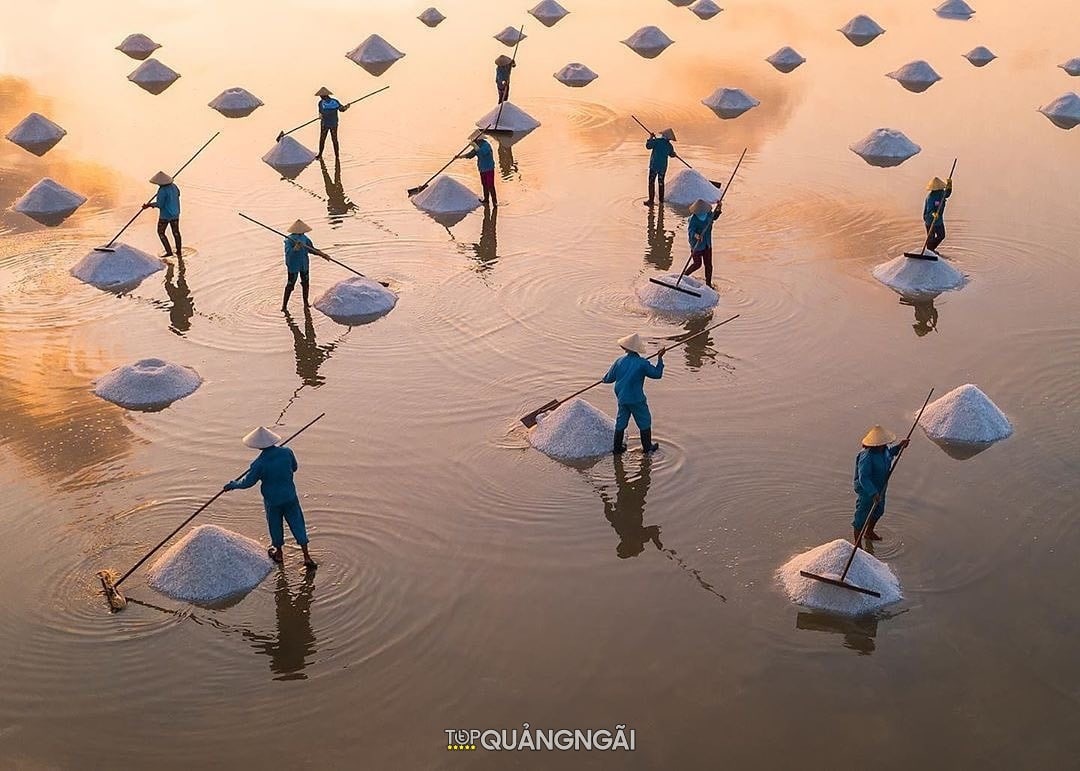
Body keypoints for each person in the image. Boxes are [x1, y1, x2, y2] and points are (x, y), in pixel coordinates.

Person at [223, 425, 317, 568]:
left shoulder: (258, 464)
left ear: (258, 446)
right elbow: (295, 468)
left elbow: (247, 483)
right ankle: (307, 557)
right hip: (290, 496)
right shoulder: (287, 452)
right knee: (298, 523)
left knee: (275, 525)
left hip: (273, 500)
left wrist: (233, 485)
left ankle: (279, 554)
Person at [602, 333, 666, 454]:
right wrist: (660, 358)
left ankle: (617, 449)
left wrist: (603, 379)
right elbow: (657, 374)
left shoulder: (619, 361)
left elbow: (608, 378)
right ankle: (647, 447)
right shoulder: (642, 363)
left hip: (622, 398)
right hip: (636, 399)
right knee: (644, 421)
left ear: (625, 348)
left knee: (621, 422)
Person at [852, 425, 910, 543]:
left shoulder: (884, 451)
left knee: (879, 510)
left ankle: (869, 532)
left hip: (881, 487)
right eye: (882, 444)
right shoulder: (867, 456)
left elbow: (890, 454)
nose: (884, 446)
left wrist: (899, 447)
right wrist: (873, 493)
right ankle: (857, 545)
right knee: (862, 516)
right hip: (867, 490)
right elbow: (864, 477)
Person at [281, 219, 319, 312]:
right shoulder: (289, 240)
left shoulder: (305, 238)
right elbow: (288, 253)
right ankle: (284, 306)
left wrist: (321, 254)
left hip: (304, 264)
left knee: (305, 283)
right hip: (293, 265)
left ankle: (305, 303)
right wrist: (296, 248)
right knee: (290, 285)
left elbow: (311, 249)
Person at [685, 198, 722, 288]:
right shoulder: (693, 219)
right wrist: (697, 235)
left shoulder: (708, 214)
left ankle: (708, 284)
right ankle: (684, 277)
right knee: (697, 264)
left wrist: (719, 207)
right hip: (697, 245)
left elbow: (714, 217)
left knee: (708, 265)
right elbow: (691, 231)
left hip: (707, 243)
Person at [143, 171, 181, 257]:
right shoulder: (174, 186)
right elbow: (178, 194)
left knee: (161, 232)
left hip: (165, 215)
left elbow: (160, 204)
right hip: (175, 213)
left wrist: (149, 205)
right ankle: (179, 251)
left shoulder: (162, 190)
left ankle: (169, 252)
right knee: (176, 232)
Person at [461, 131, 497, 208]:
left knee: (490, 185)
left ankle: (495, 202)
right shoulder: (477, 146)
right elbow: (470, 155)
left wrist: (475, 146)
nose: (473, 141)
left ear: (478, 139)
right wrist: (459, 156)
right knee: (484, 185)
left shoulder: (486, 145)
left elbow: (483, 153)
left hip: (489, 168)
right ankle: (486, 200)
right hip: (482, 168)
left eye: (474, 140)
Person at [644, 128, 677, 206]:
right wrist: (674, 154)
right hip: (663, 167)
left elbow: (648, 146)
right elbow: (671, 154)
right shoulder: (669, 146)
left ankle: (651, 201)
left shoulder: (657, 141)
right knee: (661, 182)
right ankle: (661, 201)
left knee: (651, 182)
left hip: (654, 166)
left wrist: (650, 138)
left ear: (663, 135)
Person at [315, 87, 350, 159]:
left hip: (327, 124)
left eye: (321, 96)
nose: (320, 97)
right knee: (332, 139)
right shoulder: (333, 102)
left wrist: (346, 107)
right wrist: (346, 107)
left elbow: (322, 112)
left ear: (323, 96)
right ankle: (334, 156)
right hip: (330, 123)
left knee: (324, 139)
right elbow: (341, 109)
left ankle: (323, 155)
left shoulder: (324, 102)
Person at [923, 176, 953, 253]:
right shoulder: (930, 197)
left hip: (939, 220)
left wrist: (949, 185)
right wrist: (934, 214)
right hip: (930, 220)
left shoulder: (941, 192)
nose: (941, 190)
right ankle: (930, 251)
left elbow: (947, 194)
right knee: (931, 238)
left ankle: (931, 250)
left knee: (941, 235)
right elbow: (929, 211)